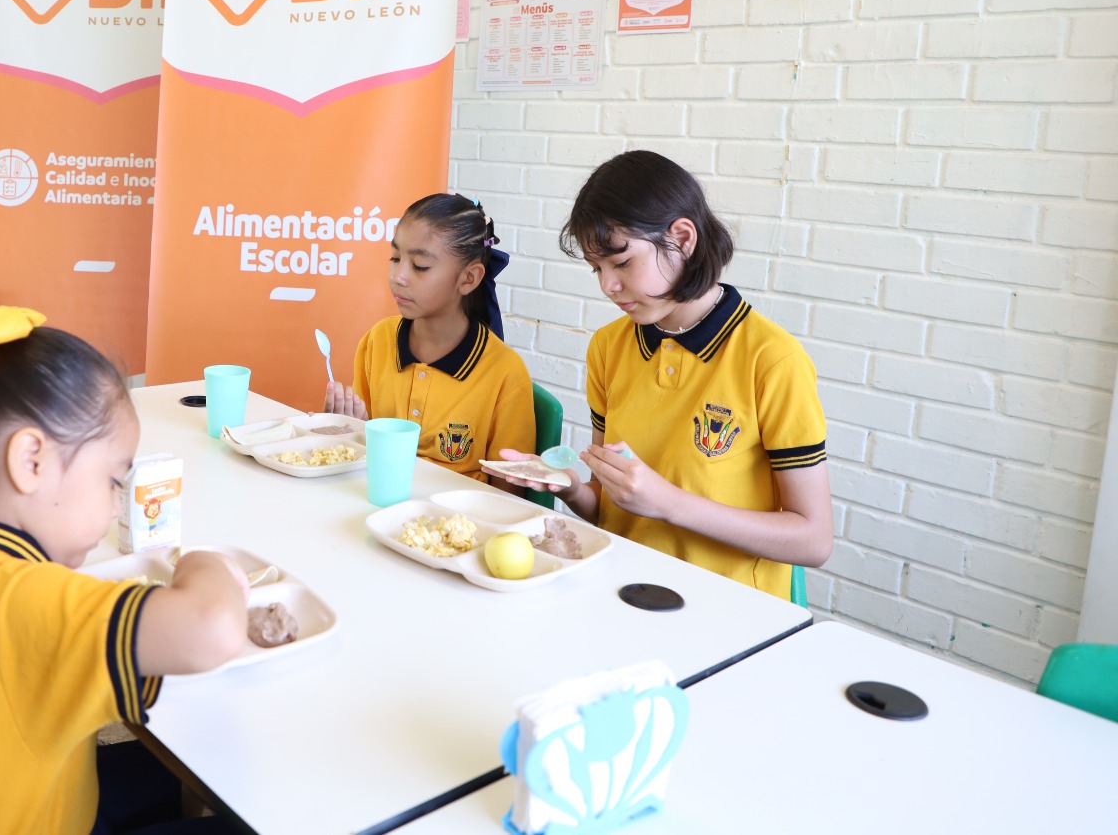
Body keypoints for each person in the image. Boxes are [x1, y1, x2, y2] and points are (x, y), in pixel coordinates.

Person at [0, 308, 247, 834]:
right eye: (113, 482)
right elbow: (212, 627)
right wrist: (207, 562)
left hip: (6, 804)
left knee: (192, 771)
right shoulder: (18, 600)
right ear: (31, 461)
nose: (114, 508)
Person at [495, 151, 831, 598]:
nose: (608, 286)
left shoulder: (771, 360)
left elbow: (814, 540)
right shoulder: (608, 347)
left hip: (727, 608)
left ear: (682, 238)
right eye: (597, 269)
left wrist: (670, 503)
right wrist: (571, 488)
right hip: (619, 589)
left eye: (622, 263)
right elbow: (611, 511)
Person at [324, 193, 534, 482]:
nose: (398, 276)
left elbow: (509, 493)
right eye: (395, 258)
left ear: (469, 278)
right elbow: (364, 455)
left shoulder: (505, 372)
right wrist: (349, 431)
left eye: (420, 266)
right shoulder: (377, 340)